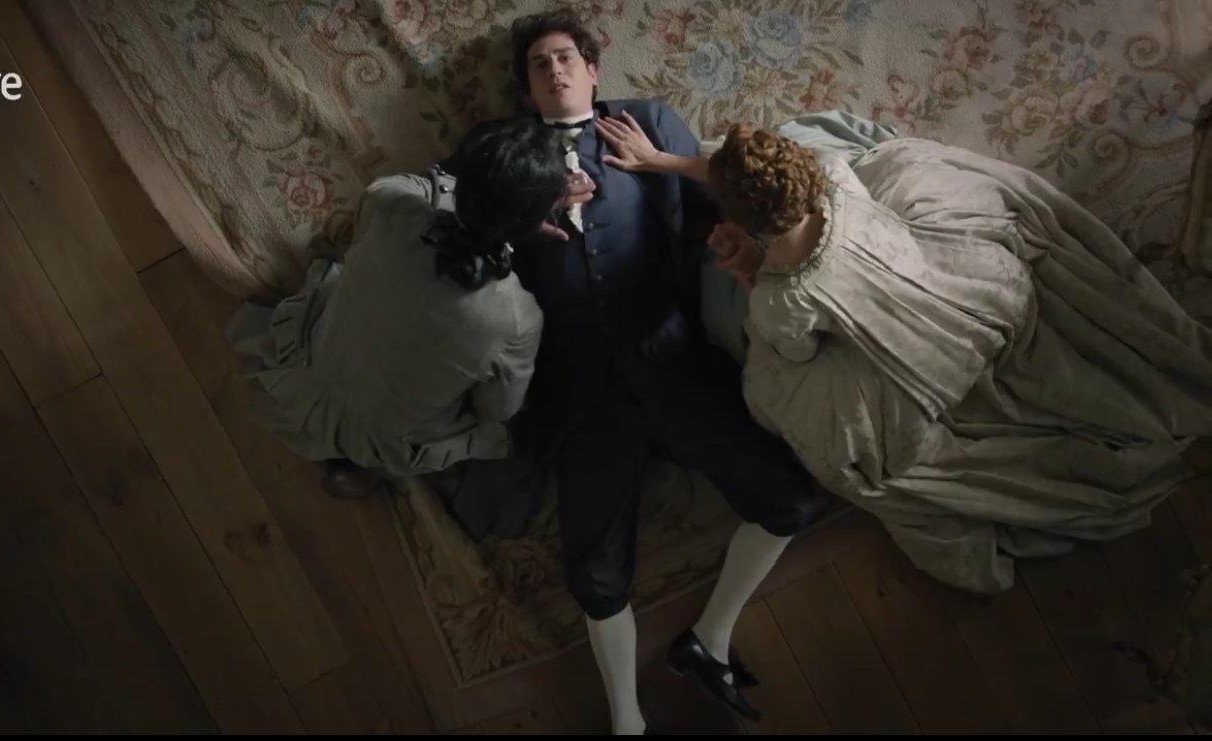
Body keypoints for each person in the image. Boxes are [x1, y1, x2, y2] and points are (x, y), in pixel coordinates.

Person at [597, 114, 1212, 593]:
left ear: (747, 220)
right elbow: (771, 177)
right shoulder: (834, 180)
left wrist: (748, 272)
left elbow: (793, 351)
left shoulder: (787, 298)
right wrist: (667, 162)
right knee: (848, 148)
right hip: (966, 291)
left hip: (919, 365)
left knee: (771, 389)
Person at [437, 9, 824, 733]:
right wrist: (525, 210)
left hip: (670, 357)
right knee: (594, 574)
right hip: (579, 386)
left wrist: (680, 188)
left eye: (565, 57)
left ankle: (709, 639)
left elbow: (722, 202)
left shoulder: (647, 121)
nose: (554, 69)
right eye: (538, 64)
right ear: (526, 87)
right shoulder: (497, 147)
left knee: (791, 502)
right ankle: (627, 722)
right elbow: (448, 223)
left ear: (592, 69)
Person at [226, 118, 564, 497]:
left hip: (319, 370)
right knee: (501, 420)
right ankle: (372, 467)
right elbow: (495, 410)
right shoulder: (518, 318)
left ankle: (347, 451)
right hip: (385, 432)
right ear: (537, 221)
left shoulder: (393, 207)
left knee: (341, 280)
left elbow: (408, 185)